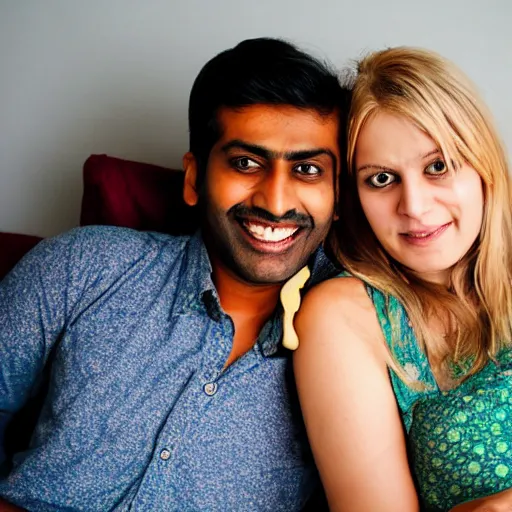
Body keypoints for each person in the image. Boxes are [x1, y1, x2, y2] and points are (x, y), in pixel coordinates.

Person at [0, 37, 345, 511]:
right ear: (193, 178)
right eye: (245, 163)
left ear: (339, 194)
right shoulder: (82, 266)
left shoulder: (360, 332)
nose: (276, 201)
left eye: (307, 169)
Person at [294, 46, 512, 512]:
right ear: (352, 197)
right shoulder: (346, 317)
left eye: (438, 166)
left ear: (482, 166)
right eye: (380, 179)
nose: (413, 205)